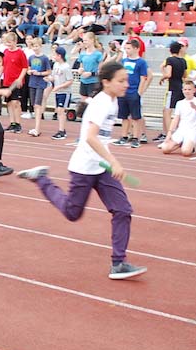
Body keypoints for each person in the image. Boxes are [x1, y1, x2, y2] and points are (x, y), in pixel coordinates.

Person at [16, 61, 147, 280]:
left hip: (101, 167)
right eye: (121, 80)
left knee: (122, 210)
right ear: (106, 82)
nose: (126, 84)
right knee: (72, 213)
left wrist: (108, 162)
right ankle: (42, 179)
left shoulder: (113, 102)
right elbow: (90, 137)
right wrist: (113, 161)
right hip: (85, 167)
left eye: (127, 80)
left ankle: (119, 263)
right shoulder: (102, 103)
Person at [113, 41, 149, 148]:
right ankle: (124, 136)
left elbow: (143, 78)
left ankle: (136, 137)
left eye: (128, 48)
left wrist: (139, 92)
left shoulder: (141, 62)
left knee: (135, 117)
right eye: (126, 49)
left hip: (134, 92)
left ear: (136, 48)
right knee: (124, 116)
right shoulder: (124, 61)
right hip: (124, 92)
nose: (126, 51)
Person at [160, 81, 196, 157]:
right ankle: (180, 143)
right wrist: (169, 134)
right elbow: (175, 119)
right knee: (165, 149)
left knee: (185, 152)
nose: (187, 91)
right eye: (185, 89)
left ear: (194, 90)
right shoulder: (180, 103)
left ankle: (190, 146)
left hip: (192, 131)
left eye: (189, 89)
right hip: (181, 130)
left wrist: (194, 106)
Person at [1, 32, 29, 133]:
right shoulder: (5, 52)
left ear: (15, 42)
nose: (8, 45)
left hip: (16, 81)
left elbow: (25, 67)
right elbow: (3, 66)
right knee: (9, 103)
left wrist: (20, 78)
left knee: (15, 102)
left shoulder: (20, 53)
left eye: (10, 42)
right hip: (6, 81)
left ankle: (18, 123)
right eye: (7, 42)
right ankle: (12, 122)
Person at [25, 39, 52, 137]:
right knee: (33, 105)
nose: (35, 48)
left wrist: (39, 73)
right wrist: (29, 72)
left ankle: (37, 128)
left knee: (37, 105)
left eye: (37, 46)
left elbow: (49, 71)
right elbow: (28, 68)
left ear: (40, 46)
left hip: (40, 83)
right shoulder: (31, 57)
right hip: (32, 83)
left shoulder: (44, 58)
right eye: (33, 46)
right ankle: (35, 127)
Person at [48, 47, 73, 139]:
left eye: (55, 54)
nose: (54, 56)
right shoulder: (56, 65)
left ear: (59, 55)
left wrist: (59, 86)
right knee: (59, 110)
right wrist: (50, 79)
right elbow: (54, 76)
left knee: (61, 110)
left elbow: (70, 80)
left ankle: (61, 131)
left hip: (65, 92)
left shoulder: (66, 67)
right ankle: (61, 129)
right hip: (58, 91)